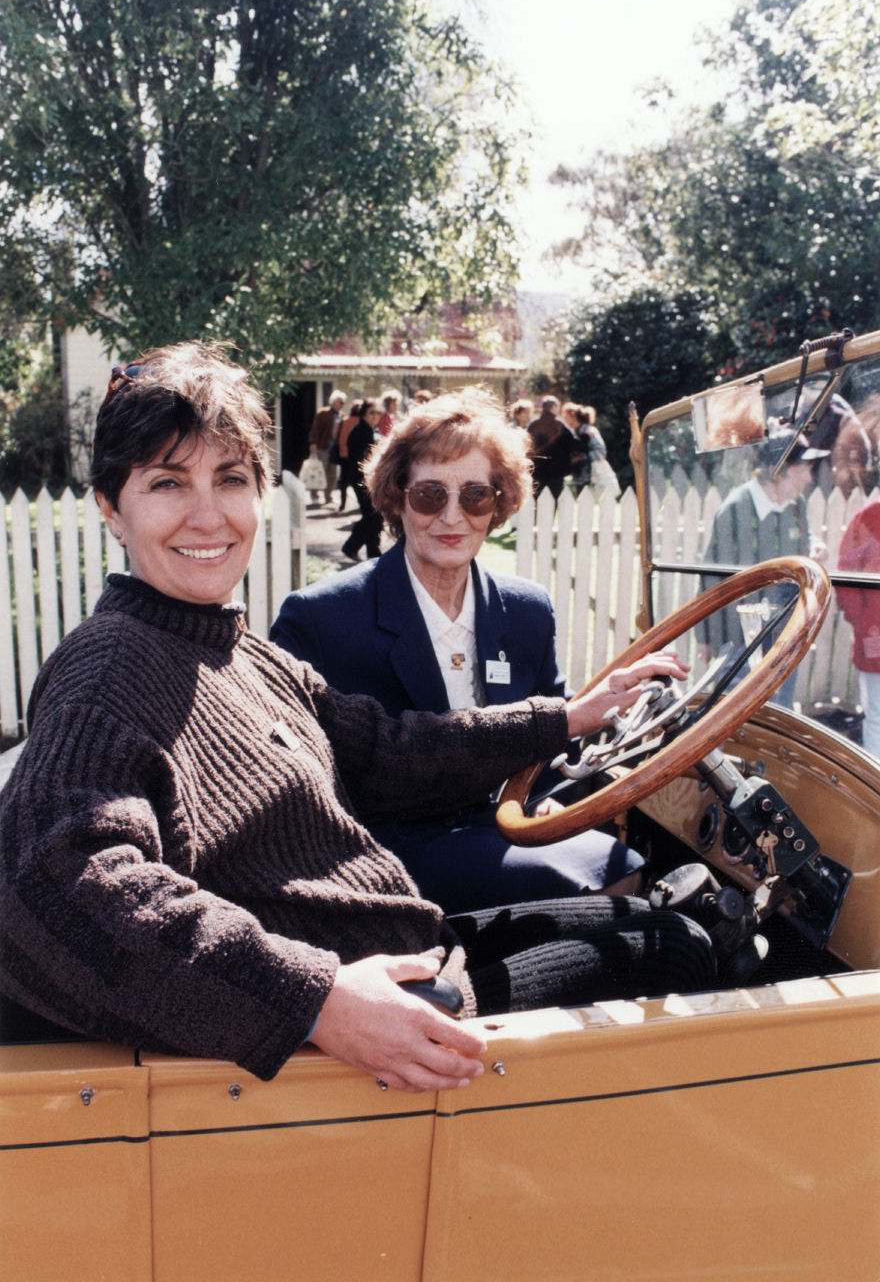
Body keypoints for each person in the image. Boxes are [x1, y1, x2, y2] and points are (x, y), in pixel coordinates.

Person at [0, 342, 714, 1092]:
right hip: (373, 1018)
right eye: (167, 484)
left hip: (396, 957)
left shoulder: (238, 652)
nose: (208, 515)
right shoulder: (110, 666)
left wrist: (567, 719)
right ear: (112, 508)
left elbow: (386, 749)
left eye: (231, 479)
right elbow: (51, 887)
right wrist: (317, 1000)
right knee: (685, 950)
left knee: (669, 921)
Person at [271, 389, 646, 912]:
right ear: (397, 496)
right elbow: (302, 791)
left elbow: (554, 757)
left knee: (622, 864)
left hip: (502, 830)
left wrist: (552, 800)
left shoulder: (527, 611)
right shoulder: (320, 618)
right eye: (430, 495)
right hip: (380, 854)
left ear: (498, 503)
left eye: (475, 495)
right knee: (616, 874)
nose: (452, 516)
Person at [696, 422, 829, 708]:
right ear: (778, 472)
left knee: (778, 710)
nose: (809, 478)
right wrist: (705, 637)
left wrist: (813, 544)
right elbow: (711, 575)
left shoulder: (796, 504)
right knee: (736, 712)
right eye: (803, 470)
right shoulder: (737, 508)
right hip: (742, 634)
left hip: (785, 629)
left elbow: (802, 536)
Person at [837, 500, 880, 756]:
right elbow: (846, 575)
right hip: (876, 638)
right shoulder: (868, 518)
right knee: (877, 715)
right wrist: (863, 621)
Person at [342, 399, 383, 560]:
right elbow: (362, 459)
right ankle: (359, 549)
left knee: (374, 515)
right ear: (364, 414)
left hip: (371, 479)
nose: (375, 416)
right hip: (361, 479)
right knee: (373, 515)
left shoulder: (372, 431)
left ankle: (369, 552)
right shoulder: (359, 432)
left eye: (378, 413)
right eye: (371, 413)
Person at [562, 402, 620, 497]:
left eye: (566, 416)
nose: (564, 419)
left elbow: (601, 451)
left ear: (573, 417)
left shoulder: (589, 431)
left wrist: (582, 457)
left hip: (591, 477)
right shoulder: (574, 432)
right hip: (580, 476)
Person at [527, 396, 577, 500]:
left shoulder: (533, 425)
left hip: (536, 471)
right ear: (553, 407)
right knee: (552, 502)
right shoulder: (559, 425)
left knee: (535, 502)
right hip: (556, 472)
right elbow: (572, 445)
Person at [308, 389, 345, 506]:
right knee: (318, 471)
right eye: (340, 402)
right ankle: (314, 495)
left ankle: (328, 496)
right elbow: (315, 429)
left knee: (332, 473)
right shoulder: (323, 413)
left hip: (334, 449)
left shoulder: (342, 416)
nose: (341, 404)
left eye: (343, 402)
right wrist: (313, 442)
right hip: (322, 447)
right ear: (333, 401)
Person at [335, 399, 363, 512]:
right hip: (358, 457)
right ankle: (361, 504)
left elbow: (335, 435)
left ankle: (342, 504)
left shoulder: (343, 421)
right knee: (359, 481)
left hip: (343, 455)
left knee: (344, 481)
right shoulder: (362, 423)